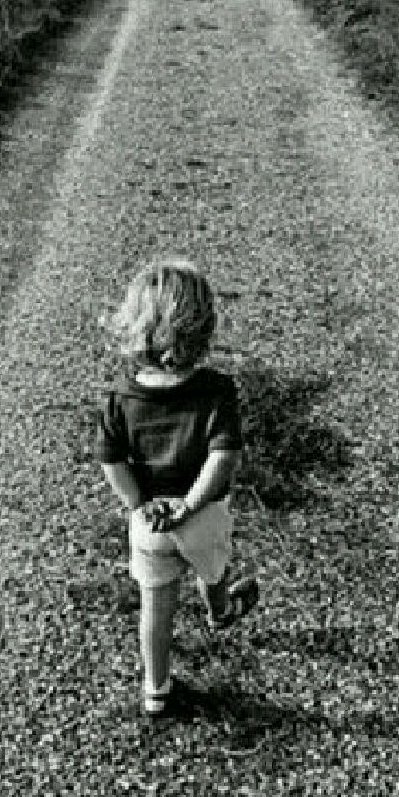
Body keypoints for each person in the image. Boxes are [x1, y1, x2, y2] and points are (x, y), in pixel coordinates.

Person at [96, 257, 259, 717]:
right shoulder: (217, 390)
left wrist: (139, 504)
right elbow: (222, 459)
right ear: (202, 328)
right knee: (214, 569)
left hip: (150, 523)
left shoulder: (120, 396)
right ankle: (220, 610)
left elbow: (111, 461)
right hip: (201, 517)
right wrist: (189, 504)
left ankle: (156, 689)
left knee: (156, 608)